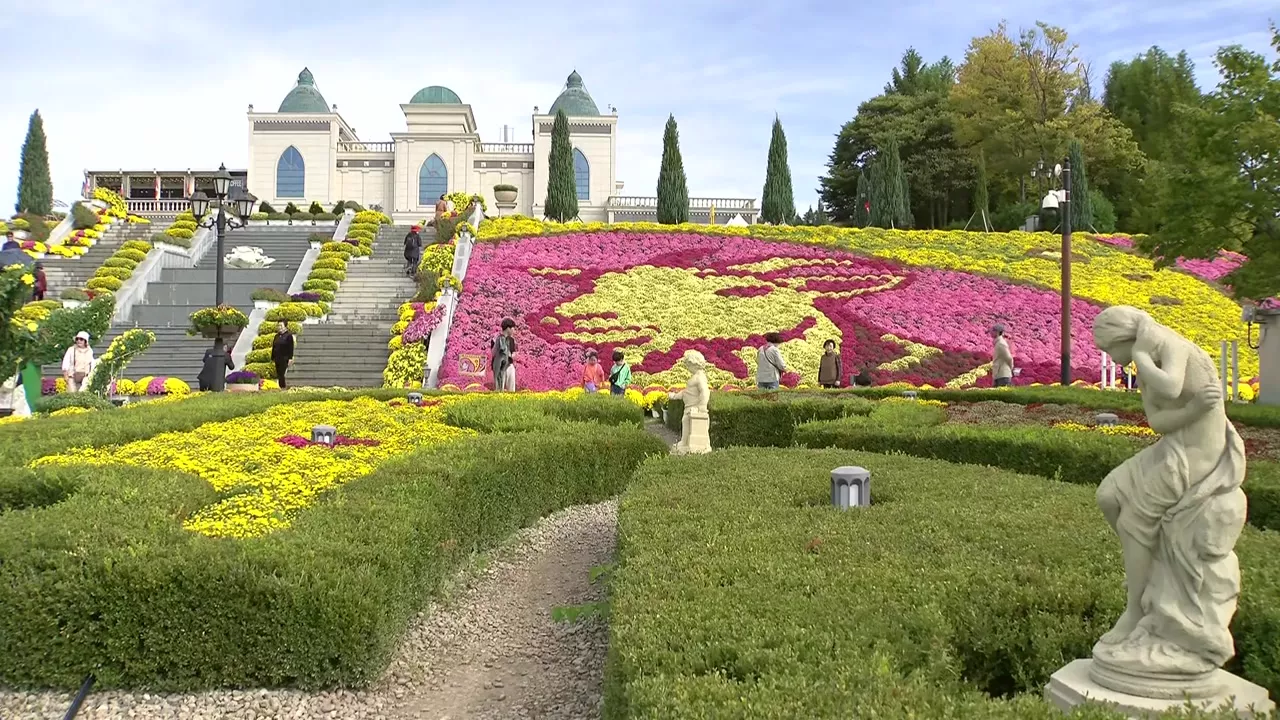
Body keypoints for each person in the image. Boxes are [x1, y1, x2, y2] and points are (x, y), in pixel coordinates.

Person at [1090, 306, 1245, 680]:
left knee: (1133, 520)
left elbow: (1172, 386)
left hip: (1198, 453)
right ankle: (1151, 561)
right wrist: (1191, 408)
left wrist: (1142, 357)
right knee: (1108, 495)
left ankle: (1137, 609)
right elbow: (1159, 421)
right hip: (1175, 443)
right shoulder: (1145, 364)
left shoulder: (1169, 346)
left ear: (1124, 337)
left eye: (1111, 350)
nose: (1112, 359)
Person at [491, 317, 517, 391]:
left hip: (509, 365)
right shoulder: (496, 339)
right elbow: (493, 353)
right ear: (508, 328)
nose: (514, 331)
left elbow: (513, 354)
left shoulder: (511, 340)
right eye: (513, 328)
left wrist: (511, 355)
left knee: (511, 389)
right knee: (499, 389)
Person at [272, 322, 295, 389]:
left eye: (281, 325)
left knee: (282, 373)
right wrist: (272, 357)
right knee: (279, 374)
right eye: (278, 325)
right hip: (277, 358)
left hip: (284, 358)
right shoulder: (276, 336)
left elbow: (291, 347)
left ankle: (283, 387)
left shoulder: (288, 336)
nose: (279, 327)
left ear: (285, 326)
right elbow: (274, 347)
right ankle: (281, 387)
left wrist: (290, 358)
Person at [991, 323, 1014, 387]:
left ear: (997, 332)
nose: (990, 333)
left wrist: (1011, 368)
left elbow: (1009, 358)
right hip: (999, 374)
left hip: (1003, 375)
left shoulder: (1001, 344)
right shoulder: (998, 343)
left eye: (992, 331)